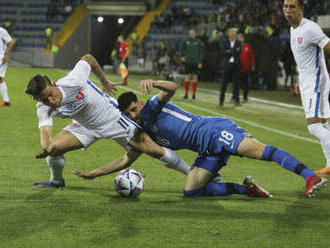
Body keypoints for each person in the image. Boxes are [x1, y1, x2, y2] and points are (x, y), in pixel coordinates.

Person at [75, 79, 327, 198]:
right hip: (206, 150)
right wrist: (93, 174)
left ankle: (310, 177)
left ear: (139, 104)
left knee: (262, 152)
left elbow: (172, 88)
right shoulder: (142, 134)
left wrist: (155, 81)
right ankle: (244, 188)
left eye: (134, 109)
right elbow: (125, 159)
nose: (133, 115)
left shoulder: (152, 106)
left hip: (215, 131)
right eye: (128, 114)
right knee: (192, 191)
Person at [24, 54, 191, 188]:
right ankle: (56, 181)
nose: (51, 101)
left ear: (53, 84)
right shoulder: (43, 108)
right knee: (54, 149)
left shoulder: (73, 81)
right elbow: (45, 132)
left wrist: (104, 81)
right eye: (44, 100)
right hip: (85, 125)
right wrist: (46, 148)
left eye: (51, 95)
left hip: (112, 118)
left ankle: (193, 174)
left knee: (154, 151)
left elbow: (87, 58)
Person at [283, 0, 330, 175]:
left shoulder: (311, 28)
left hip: (316, 82)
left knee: (313, 126)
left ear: (300, 10)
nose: (288, 10)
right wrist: (298, 79)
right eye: (285, 7)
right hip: (306, 81)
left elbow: (328, 46)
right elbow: (302, 58)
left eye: (292, 7)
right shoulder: (293, 29)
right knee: (322, 124)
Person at [219, 28, 242, 106]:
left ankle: (237, 100)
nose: (232, 35)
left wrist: (229, 51)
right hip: (226, 66)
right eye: (231, 33)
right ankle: (221, 100)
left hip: (235, 66)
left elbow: (239, 52)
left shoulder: (239, 42)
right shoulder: (224, 42)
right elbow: (222, 52)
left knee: (236, 85)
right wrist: (234, 51)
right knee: (224, 84)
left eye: (234, 33)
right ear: (229, 34)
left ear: (236, 34)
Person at [179, 27, 203, 100]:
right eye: (190, 33)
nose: (191, 34)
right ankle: (186, 94)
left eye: (193, 33)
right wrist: (181, 56)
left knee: (195, 77)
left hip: (196, 62)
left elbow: (201, 52)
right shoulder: (185, 41)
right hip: (188, 62)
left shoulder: (198, 41)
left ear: (195, 33)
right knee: (187, 77)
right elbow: (181, 49)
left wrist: (200, 62)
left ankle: (194, 95)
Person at [237, 33, 255, 101]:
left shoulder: (247, 46)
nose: (239, 39)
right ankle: (235, 96)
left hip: (246, 68)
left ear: (243, 39)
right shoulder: (236, 46)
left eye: (241, 37)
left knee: (246, 84)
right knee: (236, 84)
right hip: (237, 68)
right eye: (238, 38)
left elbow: (251, 56)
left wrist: (253, 64)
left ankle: (245, 96)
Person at [0, 26, 14, 107]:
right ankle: (6, 101)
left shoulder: (1, 30)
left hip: (1, 58)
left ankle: (6, 101)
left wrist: (6, 55)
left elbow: (11, 42)